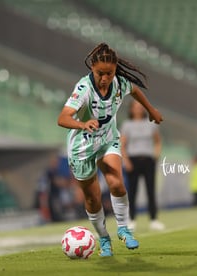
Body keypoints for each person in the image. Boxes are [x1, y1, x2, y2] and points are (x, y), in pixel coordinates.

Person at [57, 42, 163, 256]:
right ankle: (104, 238)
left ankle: (124, 229)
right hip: (83, 147)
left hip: (107, 140)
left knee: (117, 183)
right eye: (100, 73)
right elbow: (62, 118)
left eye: (109, 73)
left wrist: (150, 110)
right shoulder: (84, 88)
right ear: (92, 69)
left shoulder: (119, 83)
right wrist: (82, 124)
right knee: (93, 198)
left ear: (115, 70)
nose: (105, 78)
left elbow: (135, 90)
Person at [120, 100, 164, 231]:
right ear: (131, 109)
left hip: (148, 160)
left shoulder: (151, 124)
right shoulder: (127, 125)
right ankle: (132, 219)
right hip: (133, 160)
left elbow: (157, 141)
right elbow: (122, 144)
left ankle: (154, 219)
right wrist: (126, 161)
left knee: (151, 191)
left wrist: (156, 155)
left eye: (140, 107)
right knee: (132, 192)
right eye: (135, 107)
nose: (138, 109)